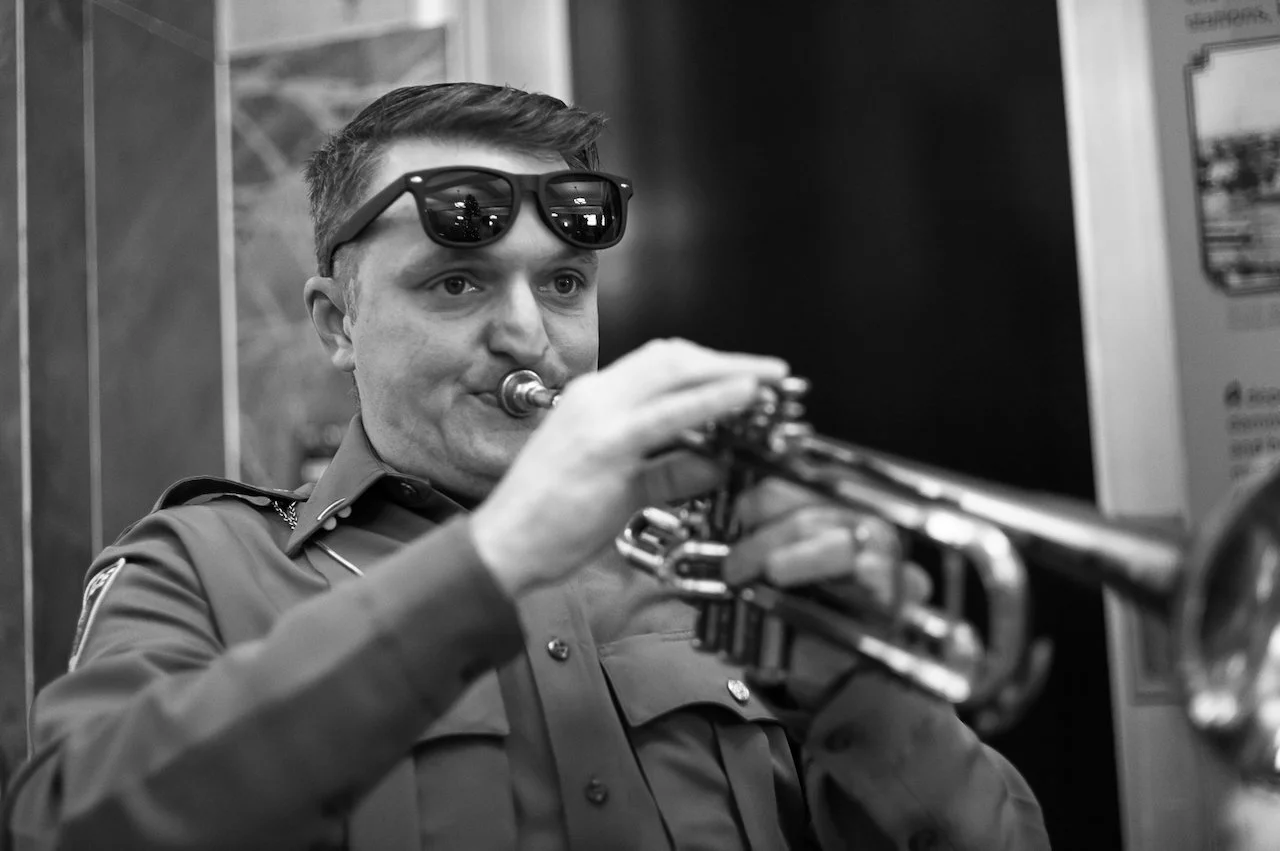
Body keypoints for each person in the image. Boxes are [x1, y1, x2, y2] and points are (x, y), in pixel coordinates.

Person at [1, 83, 1048, 851]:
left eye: (561, 283)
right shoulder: (199, 564)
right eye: (455, 283)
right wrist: (492, 561)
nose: (526, 333)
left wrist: (860, 688)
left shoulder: (724, 563)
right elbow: (66, 824)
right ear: (336, 325)